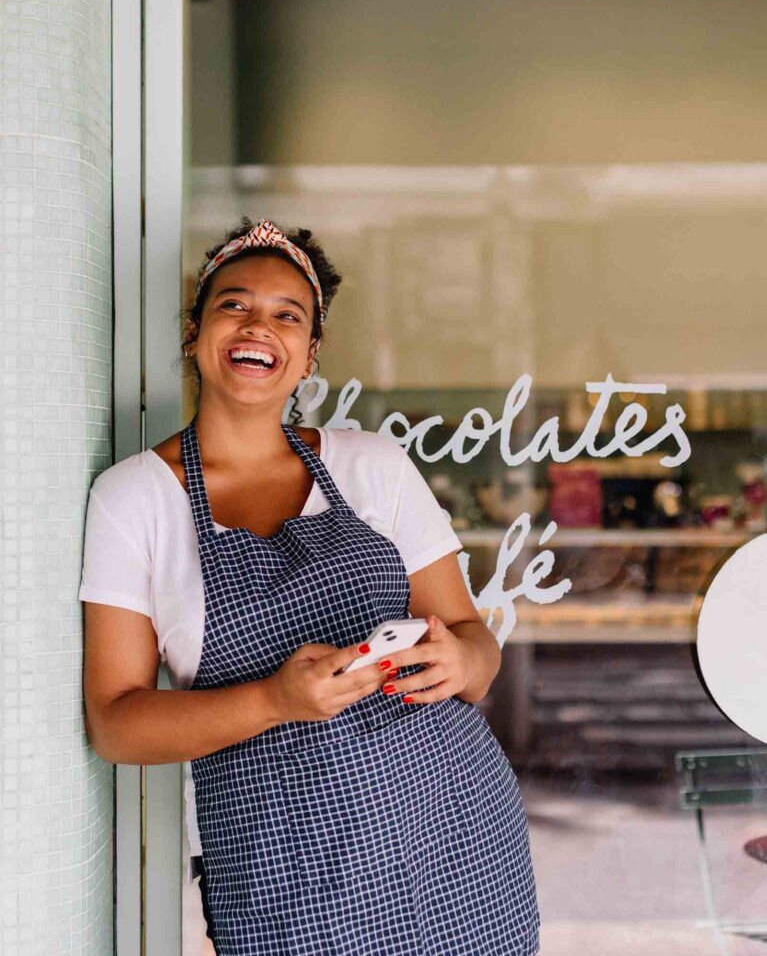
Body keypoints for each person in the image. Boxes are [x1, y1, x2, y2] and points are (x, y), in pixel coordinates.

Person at [81, 217, 541, 955]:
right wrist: (274, 700)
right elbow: (114, 722)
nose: (258, 325)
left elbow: (473, 640)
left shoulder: (373, 467)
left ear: (308, 354)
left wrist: (462, 662)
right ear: (195, 330)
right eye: (234, 304)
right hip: (281, 869)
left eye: (286, 315)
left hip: (451, 832)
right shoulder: (133, 498)